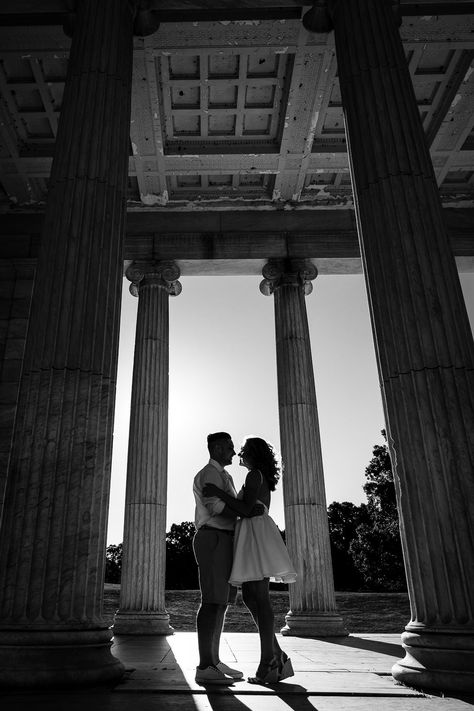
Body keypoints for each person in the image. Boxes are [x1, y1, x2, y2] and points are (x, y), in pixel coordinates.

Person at [203, 436, 296, 685]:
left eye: (243, 450)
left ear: (253, 454)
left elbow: (245, 509)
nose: (239, 454)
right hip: (252, 532)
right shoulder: (255, 475)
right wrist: (239, 505)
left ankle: (268, 663)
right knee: (250, 597)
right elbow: (247, 508)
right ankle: (278, 655)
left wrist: (216, 493)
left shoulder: (254, 475)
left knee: (259, 597)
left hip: (256, 534)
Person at [193, 431, 262, 685]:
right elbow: (218, 509)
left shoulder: (225, 476)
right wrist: (244, 509)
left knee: (221, 602)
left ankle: (215, 660)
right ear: (219, 448)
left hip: (225, 539)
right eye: (231, 447)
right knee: (211, 601)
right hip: (213, 537)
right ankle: (205, 665)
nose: (234, 452)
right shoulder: (209, 474)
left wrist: (242, 508)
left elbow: (231, 506)